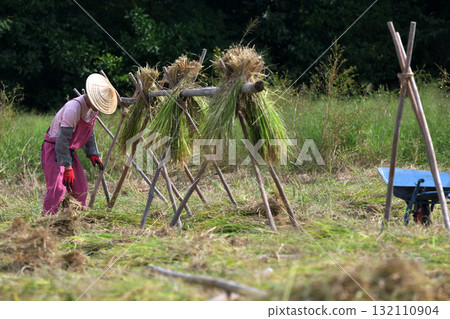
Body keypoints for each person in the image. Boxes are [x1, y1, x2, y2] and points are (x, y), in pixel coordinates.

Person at [41, 73, 118, 216]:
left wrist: (92, 153)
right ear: (92, 97)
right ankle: (47, 221)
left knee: (81, 188)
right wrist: (67, 166)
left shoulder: (92, 110)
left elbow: (88, 131)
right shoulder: (74, 108)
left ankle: (74, 219)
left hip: (69, 150)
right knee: (58, 188)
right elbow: (62, 140)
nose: (99, 109)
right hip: (55, 149)